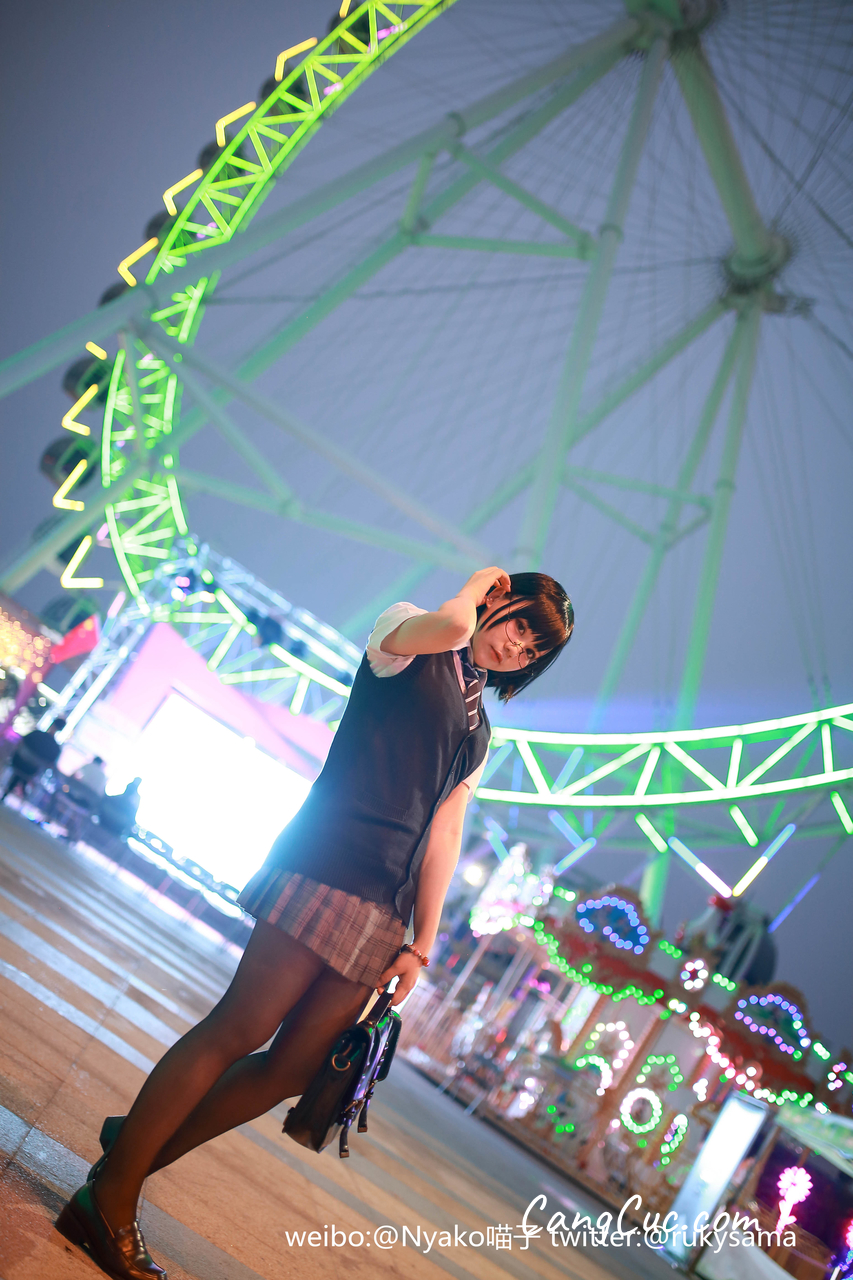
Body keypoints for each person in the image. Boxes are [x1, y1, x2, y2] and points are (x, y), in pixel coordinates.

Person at [55, 568, 574, 1279]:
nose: (518, 648)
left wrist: (421, 944)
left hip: (384, 909)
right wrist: (473, 588)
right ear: (495, 601)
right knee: (239, 1028)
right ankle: (111, 1195)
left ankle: (133, 1151)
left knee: (293, 1068)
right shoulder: (405, 633)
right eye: (519, 625)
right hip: (328, 863)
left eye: (535, 650)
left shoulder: (480, 729)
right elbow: (455, 627)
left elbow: (445, 834)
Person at [1, 717, 67, 802]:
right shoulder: (55, 748)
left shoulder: (36, 734)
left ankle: (11, 791)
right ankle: (21, 790)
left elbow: (20, 743)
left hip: (18, 762)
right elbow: (49, 765)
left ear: (52, 724)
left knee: (19, 773)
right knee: (25, 772)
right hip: (31, 770)